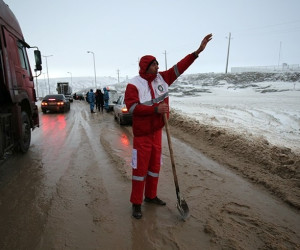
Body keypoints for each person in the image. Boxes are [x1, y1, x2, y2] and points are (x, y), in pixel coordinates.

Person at [124, 33, 212, 219]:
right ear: (146, 67)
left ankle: (151, 196)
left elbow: (180, 67)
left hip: (157, 132)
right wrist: (155, 109)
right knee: (140, 170)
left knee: (155, 166)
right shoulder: (134, 84)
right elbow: (132, 107)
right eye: (154, 64)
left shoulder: (162, 78)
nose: (158, 66)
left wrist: (197, 52)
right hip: (142, 134)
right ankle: (136, 203)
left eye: (157, 64)